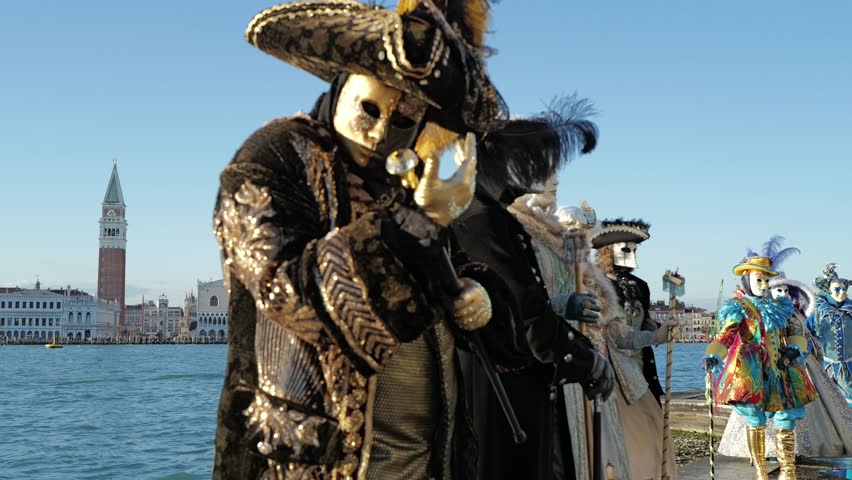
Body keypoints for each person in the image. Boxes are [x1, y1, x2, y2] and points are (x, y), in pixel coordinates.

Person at [212, 1, 508, 478]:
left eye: (402, 122)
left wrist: (471, 293)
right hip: (317, 462)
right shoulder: (275, 156)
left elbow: (440, 277)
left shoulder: (403, 184)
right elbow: (285, 292)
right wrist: (414, 227)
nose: (378, 133)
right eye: (369, 109)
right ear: (344, 82)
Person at [451, 103, 615, 480]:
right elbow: (526, 319)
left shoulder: (488, 216)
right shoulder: (482, 221)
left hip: (516, 393)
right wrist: (585, 360)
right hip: (504, 402)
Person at [703, 254, 817, 480]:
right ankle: (761, 471)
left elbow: (794, 331)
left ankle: (788, 471)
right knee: (755, 419)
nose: (764, 286)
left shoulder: (781, 307)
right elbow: (727, 334)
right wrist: (714, 355)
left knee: (785, 416)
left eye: (767, 281)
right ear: (747, 280)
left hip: (781, 366)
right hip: (751, 369)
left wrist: (795, 348)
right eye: (759, 281)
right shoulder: (739, 307)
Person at [591, 218, 665, 405]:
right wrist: (654, 336)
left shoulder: (640, 286)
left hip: (640, 370)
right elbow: (613, 336)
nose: (632, 255)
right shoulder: (594, 284)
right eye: (626, 249)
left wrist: (662, 329)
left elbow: (644, 321)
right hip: (613, 371)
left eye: (634, 250)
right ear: (607, 251)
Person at [809, 264, 852, 407]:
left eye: (844, 289)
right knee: (828, 402)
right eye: (837, 289)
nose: (842, 292)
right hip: (824, 365)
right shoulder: (818, 312)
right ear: (828, 290)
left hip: (849, 368)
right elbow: (807, 334)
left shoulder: (850, 312)